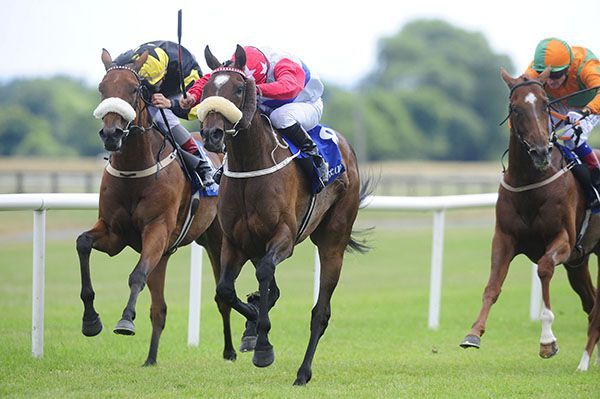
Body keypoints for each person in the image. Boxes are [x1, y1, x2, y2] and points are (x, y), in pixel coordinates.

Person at [180, 45, 329, 187]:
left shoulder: (284, 63)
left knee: (280, 117)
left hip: (306, 103)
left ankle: (315, 157)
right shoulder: (236, 63)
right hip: (268, 103)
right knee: (241, 118)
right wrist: (193, 95)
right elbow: (212, 79)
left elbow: (289, 87)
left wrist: (254, 88)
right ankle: (227, 160)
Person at [114, 40, 215, 186]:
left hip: (175, 92)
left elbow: (194, 111)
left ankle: (201, 164)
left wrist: (171, 103)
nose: (155, 87)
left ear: (164, 72)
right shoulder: (128, 59)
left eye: (156, 82)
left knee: (161, 116)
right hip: (138, 87)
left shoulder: (188, 71)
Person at [526, 37, 600, 205]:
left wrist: (586, 111)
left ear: (568, 68)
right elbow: (522, 100)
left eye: (556, 75)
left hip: (590, 105)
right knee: (536, 132)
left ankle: (596, 178)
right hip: (558, 103)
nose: (550, 82)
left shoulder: (587, 66)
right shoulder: (532, 71)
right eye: (545, 76)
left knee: (571, 135)